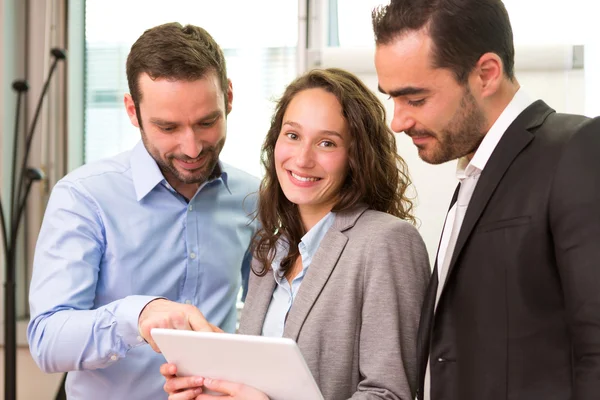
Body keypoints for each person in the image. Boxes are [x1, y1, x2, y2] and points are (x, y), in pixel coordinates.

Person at [372, 1, 600, 400]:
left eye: (416, 99)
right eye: (393, 98)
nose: (398, 121)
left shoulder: (575, 149)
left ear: (486, 74)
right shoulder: (474, 173)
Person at [160, 68, 431, 400]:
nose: (302, 159)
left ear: (356, 156)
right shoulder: (270, 250)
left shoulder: (387, 242)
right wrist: (209, 388)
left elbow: (391, 394)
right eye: (292, 135)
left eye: (327, 142)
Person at [27, 22, 259, 400]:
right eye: (167, 127)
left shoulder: (254, 197)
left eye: (207, 122)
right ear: (132, 111)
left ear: (228, 98)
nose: (192, 147)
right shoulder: (84, 197)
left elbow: (267, 316)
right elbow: (46, 341)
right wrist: (137, 315)